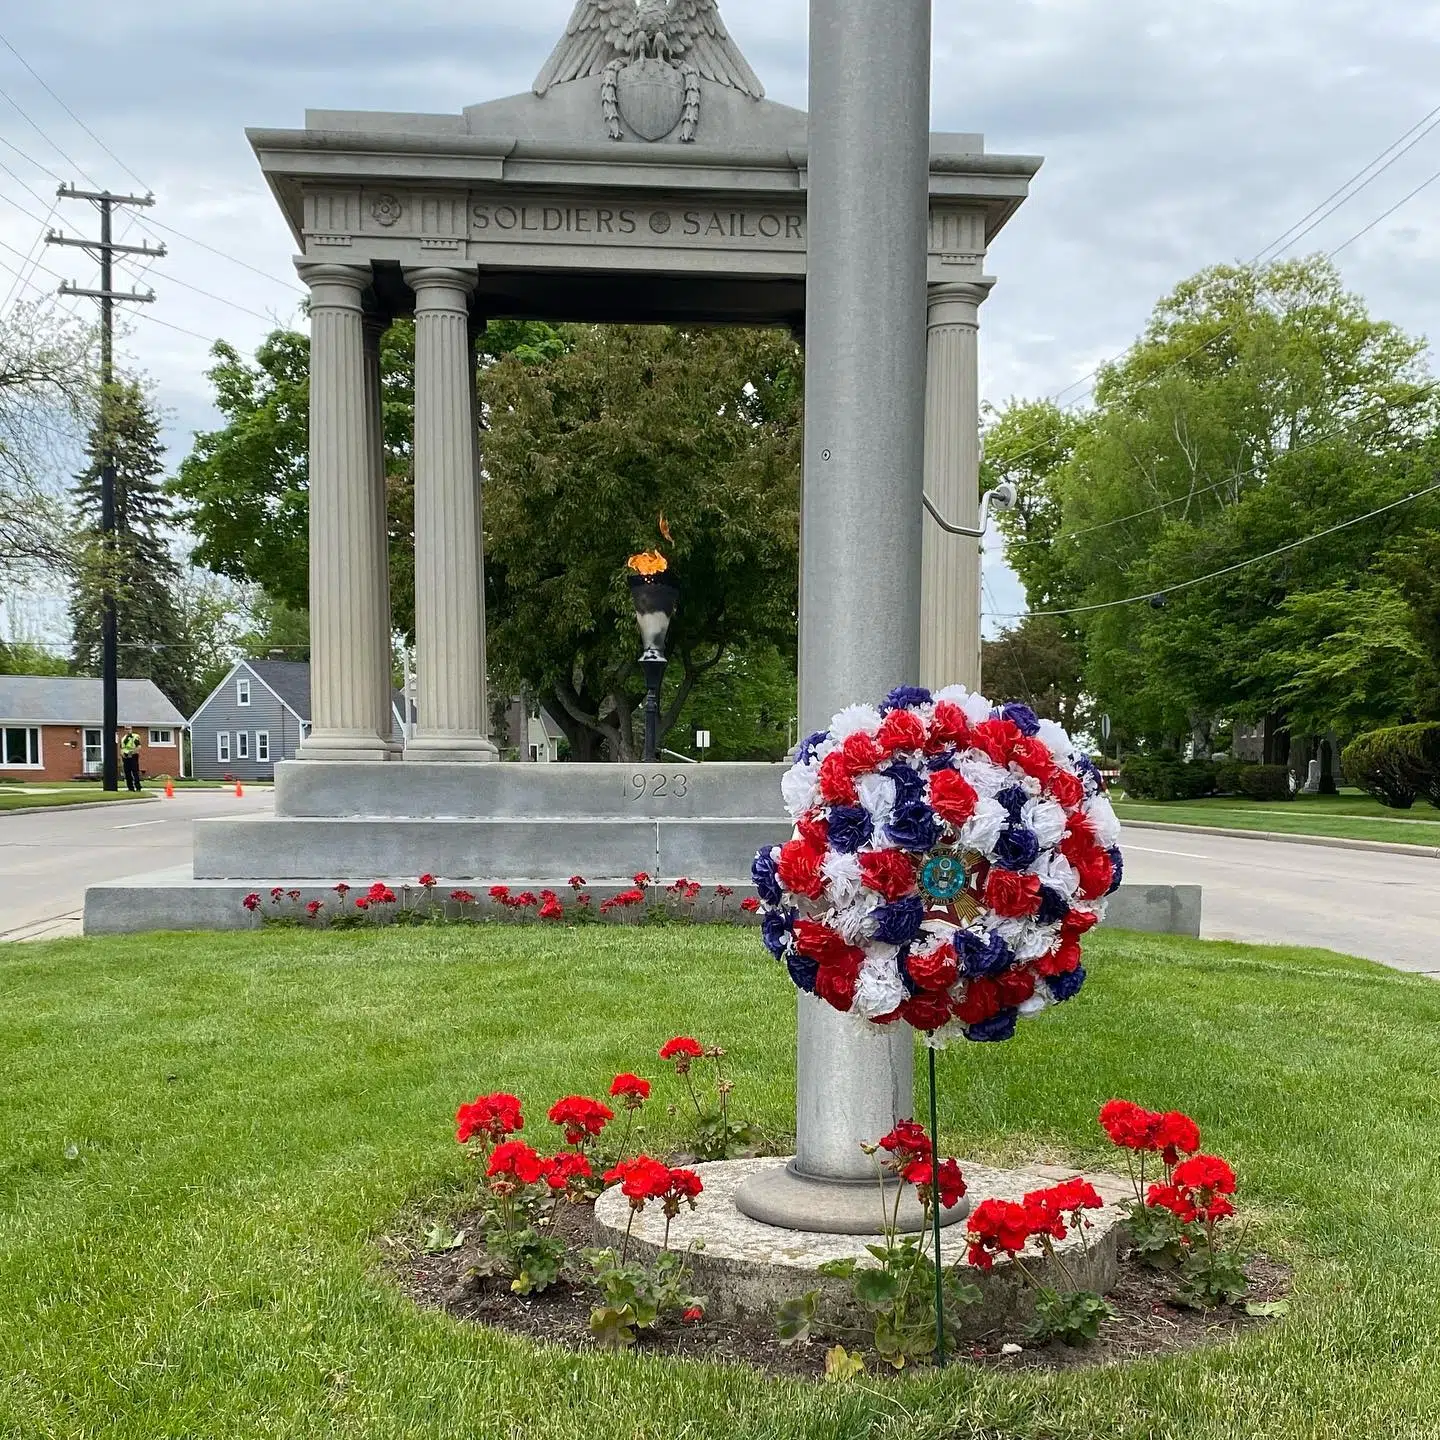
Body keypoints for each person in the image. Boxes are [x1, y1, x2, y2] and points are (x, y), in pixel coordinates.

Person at [120, 727, 142, 792]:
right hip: (125, 757)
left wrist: (131, 753)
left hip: (133, 756)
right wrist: (122, 754)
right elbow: (121, 747)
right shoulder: (123, 738)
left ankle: (138, 787)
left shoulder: (135, 737)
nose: (128, 730)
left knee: (135, 772)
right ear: (124, 730)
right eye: (126, 729)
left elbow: (138, 747)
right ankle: (130, 788)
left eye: (129, 729)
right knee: (127, 773)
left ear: (131, 730)